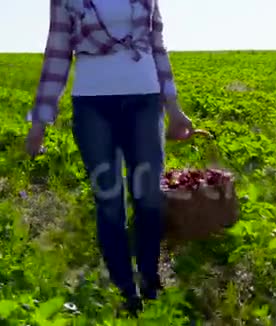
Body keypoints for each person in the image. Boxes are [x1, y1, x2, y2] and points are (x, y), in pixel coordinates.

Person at [25, 0, 207, 317]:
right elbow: (56, 53)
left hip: (145, 101)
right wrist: (40, 122)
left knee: (148, 197)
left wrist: (175, 110)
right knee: (109, 200)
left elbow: (157, 47)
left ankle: (150, 282)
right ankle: (126, 291)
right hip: (92, 105)